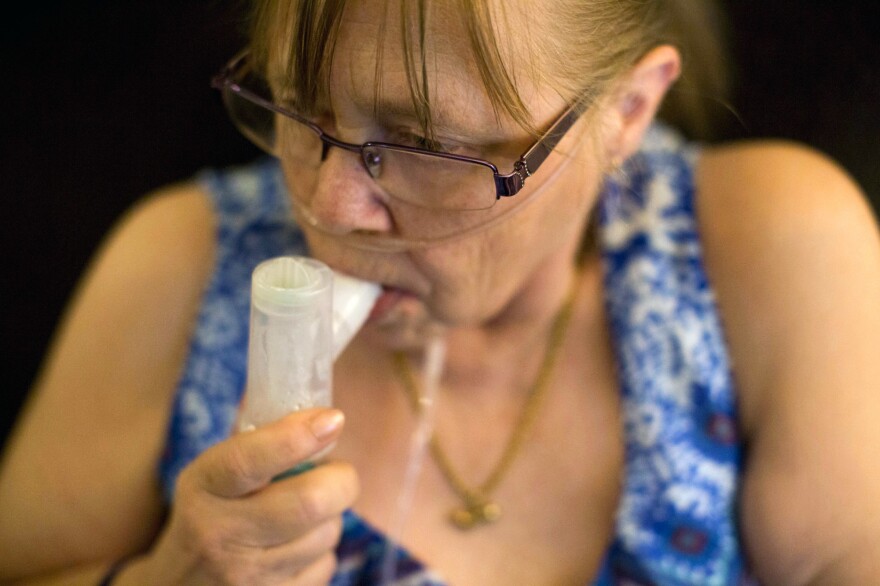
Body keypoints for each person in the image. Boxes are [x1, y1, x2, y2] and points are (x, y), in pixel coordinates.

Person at [2, 0, 879, 584]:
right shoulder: (183, 265)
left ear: (627, 114)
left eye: (424, 146)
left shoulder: (765, 252)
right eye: (302, 110)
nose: (326, 205)